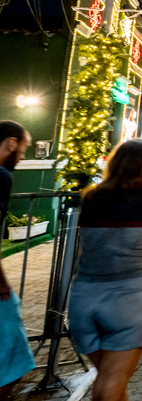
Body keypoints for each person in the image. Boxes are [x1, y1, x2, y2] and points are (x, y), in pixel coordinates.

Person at [68, 139, 142, 401]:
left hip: (84, 296)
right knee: (111, 384)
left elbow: (83, 244)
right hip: (131, 298)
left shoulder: (92, 198)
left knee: (112, 379)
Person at [0, 121, 33, 401]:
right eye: (23, 148)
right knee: (14, 357)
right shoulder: (1, 176)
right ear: (11, 143)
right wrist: (1, 284)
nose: (22, 155)